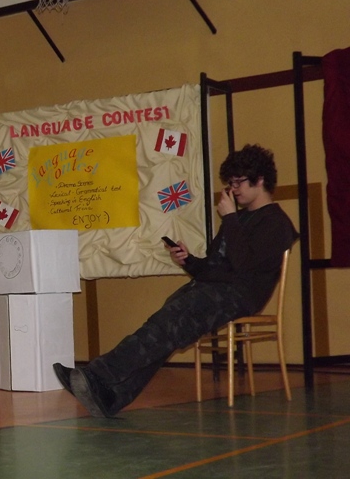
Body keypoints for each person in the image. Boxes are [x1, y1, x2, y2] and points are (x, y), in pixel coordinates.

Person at [54, 144, 298, 418]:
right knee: (165, 325)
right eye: (230, 183)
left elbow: (245, 268)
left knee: (170, 321)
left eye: (238, 182)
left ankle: (99, 375)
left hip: (239, 296)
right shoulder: (238, 219)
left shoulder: (276, 223)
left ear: (260, 180)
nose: (233, 189)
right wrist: (188, 260)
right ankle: (111, 397)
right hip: (214, 290)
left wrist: (230, 218)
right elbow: (213, 268)